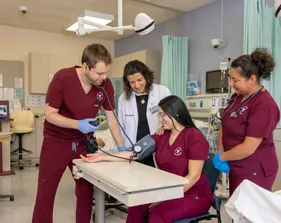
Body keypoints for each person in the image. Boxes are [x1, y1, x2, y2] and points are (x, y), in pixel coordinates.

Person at [81, 95, 214, 223]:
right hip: (166, 190)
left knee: (159, 213)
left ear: (176, 113)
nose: (160, 119)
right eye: (159, 114)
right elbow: (134, 153)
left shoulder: (194, 137)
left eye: (163, 115)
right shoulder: (161, 135)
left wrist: (164, 197)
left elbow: (194, 176)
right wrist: (103, 157)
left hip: (194, 194)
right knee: (136, 206)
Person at [32, 44, 126, 223]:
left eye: (106, 72)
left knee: (85, 190)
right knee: (46, 190)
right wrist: (77, 124)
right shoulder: (62, 78)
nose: (103, 77)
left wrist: (121, 146)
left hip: (83, 143)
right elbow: (50, 115)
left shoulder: (105, 85)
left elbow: (112, 119)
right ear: (85, 66)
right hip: (56, 142)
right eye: (99, 73)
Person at [213, 48, 280, 196]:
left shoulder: (264, 105)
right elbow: (225, 123)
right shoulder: (237, 96)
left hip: (255, 169)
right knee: (236, 211)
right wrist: (220, 150)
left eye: (235, 80)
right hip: (236, 163)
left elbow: (248, 148)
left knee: (249, 214)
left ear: (252, 79)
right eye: (231, 78)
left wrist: (222, 157)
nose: (231, 83)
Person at [117, 60, 170, 167]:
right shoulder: (123, 98)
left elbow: (172, 117)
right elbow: (120, 125)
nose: (137, 85)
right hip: (132, 149)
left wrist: (164, 127)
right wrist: (120, 147)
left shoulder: (162, 92)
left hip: (156, 147)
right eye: (132, 82)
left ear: (146, 76)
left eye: (140, 80)